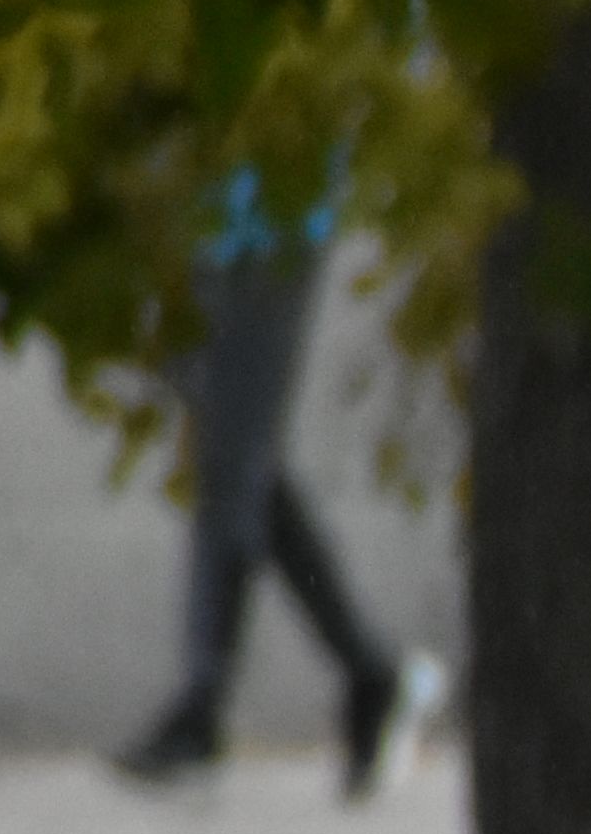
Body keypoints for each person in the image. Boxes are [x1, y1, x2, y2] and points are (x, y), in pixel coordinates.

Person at [115, 166, 430, 794]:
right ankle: (371, 672)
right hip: (193, 218)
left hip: (270, 219)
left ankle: (203, 704)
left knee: (231, 464)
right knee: (240, 467)